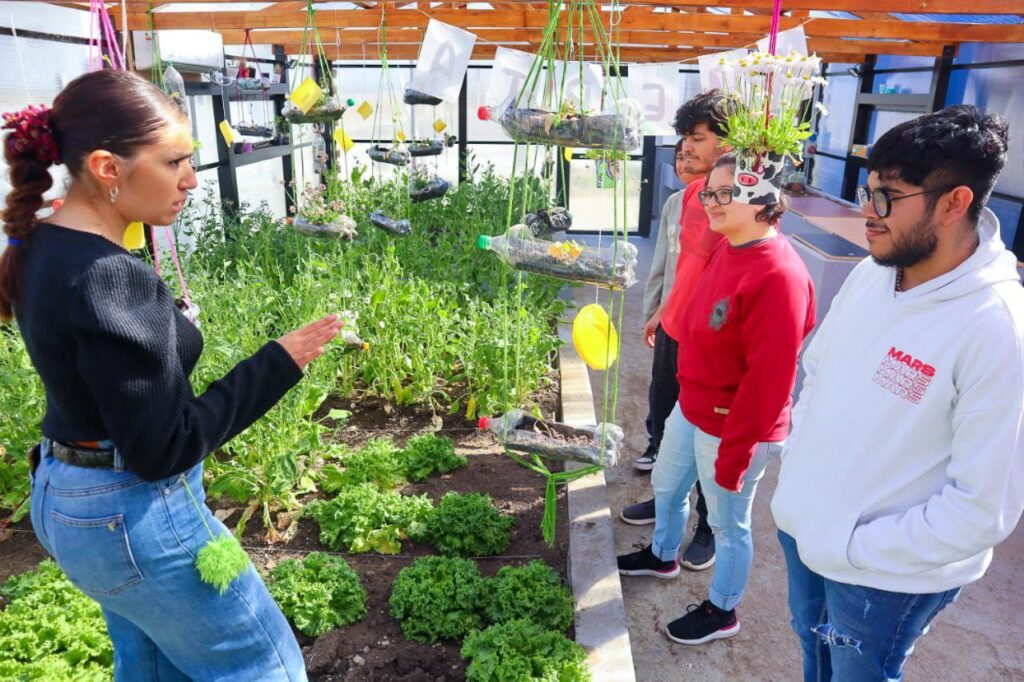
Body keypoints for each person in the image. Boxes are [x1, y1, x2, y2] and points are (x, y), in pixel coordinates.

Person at [1, 70, 342, 680]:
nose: (191, 179)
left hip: (67, 496)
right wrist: (277, 363)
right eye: (173, 162)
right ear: (107, 168)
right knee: (263, 665)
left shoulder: (41, 242)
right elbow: (166, 449)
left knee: (154, 667)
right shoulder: (109, 276)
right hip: (133, 514)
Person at [772, 105, 1023, 681]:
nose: (867, 211)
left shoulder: (996, 327)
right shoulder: (876, 272)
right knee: (814, 656)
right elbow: (819, 370)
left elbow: (982, 509)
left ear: (955, 203)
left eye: (887, 197)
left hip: (884, 577)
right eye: (868, 192)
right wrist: (797, 477)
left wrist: (851, 546)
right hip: (805, 526)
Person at [618, 153, 816, 646]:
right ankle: (662, 555)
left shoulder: (779, 275)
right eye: (710, 192)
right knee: (667, 485)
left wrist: (735, 455)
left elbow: (770, 383)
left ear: (763, 198)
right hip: (694, 405)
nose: (711, 202)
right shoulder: (730, 246)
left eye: (725, 192)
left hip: (735, 424)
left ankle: (722, 609)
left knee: (729, 526)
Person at [618, 91, 731, 572]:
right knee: (665, 420)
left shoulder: (735, 203)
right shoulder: (687, 197)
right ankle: (668, 505)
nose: (686, 147)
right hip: (675, 327)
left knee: (708, 437)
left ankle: (707, 526)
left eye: (697, 138)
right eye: (683, 138)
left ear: (729, 144)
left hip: (711, 340)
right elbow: (682, 267)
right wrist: (662, 312)